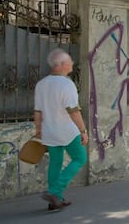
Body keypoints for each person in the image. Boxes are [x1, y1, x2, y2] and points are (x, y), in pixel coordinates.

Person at [34, 48, 88, 212]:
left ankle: (55, 201)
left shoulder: (41, 84)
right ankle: (55, 191)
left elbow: (38, 111)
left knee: (55, 163)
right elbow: (73, 110)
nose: (72, 63)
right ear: (62, 64)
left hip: (49, 131)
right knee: (80, 158)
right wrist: (83, 130)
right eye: (70, 61)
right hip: (67, 132)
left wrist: (38, 131)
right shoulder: (66, 84)